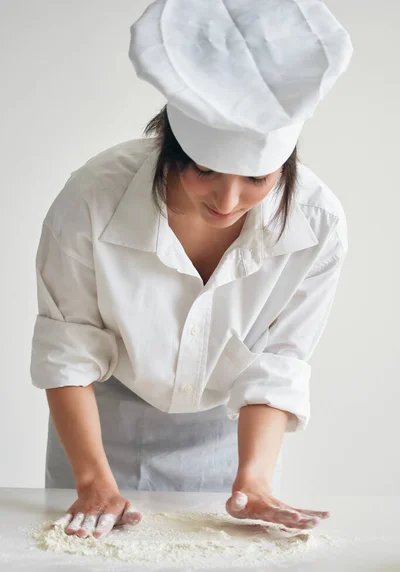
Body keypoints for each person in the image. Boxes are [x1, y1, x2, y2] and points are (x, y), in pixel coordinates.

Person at [30, 0, 353, 539]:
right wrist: (91, 480)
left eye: (258, 178)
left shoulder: (317, 225)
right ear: (170, 149)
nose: (229, 200)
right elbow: (69, 348)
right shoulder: (91, 200)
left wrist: (253, 480)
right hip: (98, 427)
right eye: (206, 171)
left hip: (223, 434)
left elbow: (278, 359)